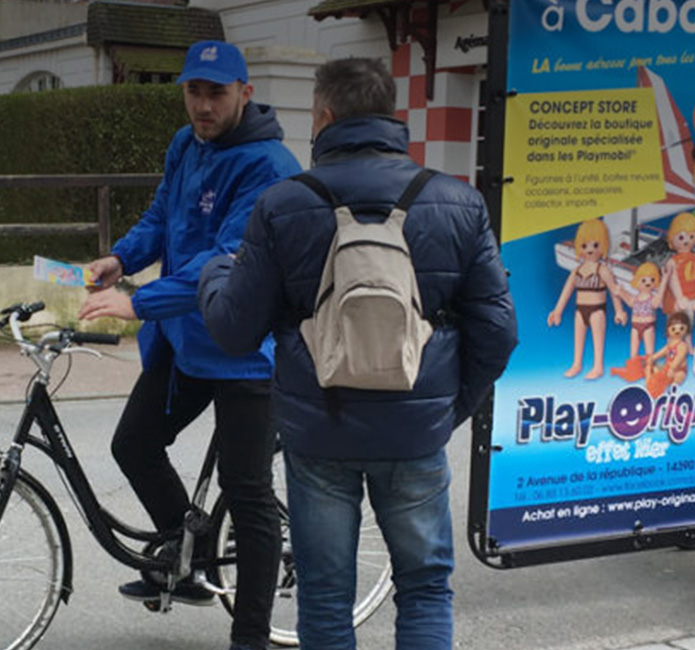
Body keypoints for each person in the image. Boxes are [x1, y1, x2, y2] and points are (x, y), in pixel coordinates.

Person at [198, 57, 518, 650]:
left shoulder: (282, 205)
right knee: (424, 586)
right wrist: (446, 409)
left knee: (324, 594)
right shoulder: (456, 201)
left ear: (324, 115)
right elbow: (498, 331)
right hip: (415, 433)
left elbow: (234, 331)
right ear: (389, 114)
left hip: (319, 433)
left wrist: (215, 274)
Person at [76, 40, 299, 650]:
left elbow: (220, 257)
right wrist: (123, 257)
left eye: (216, 93)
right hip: (184, 340)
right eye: (193, 91)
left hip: (246, 352)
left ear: (245, 93)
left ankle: (248, 636)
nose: (202, 105)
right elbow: (162, 220)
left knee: (247, 490)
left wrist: (138, 302)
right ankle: (186, 553)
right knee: (134, 444)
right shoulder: (186, 145)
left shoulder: (268, 167)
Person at [547, 219, 625, 380]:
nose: (590, 249)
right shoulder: (577, 271)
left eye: (595, 245)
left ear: (603, 245)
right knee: (579, 338)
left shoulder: (602, 270)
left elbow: (614, 290)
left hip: (597, 310)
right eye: (584, 245)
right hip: (580, 311)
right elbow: (566, 291)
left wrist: (619, 310)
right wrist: (558, 310)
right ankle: (577, 364)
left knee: (598, 340)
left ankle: (598, 366)